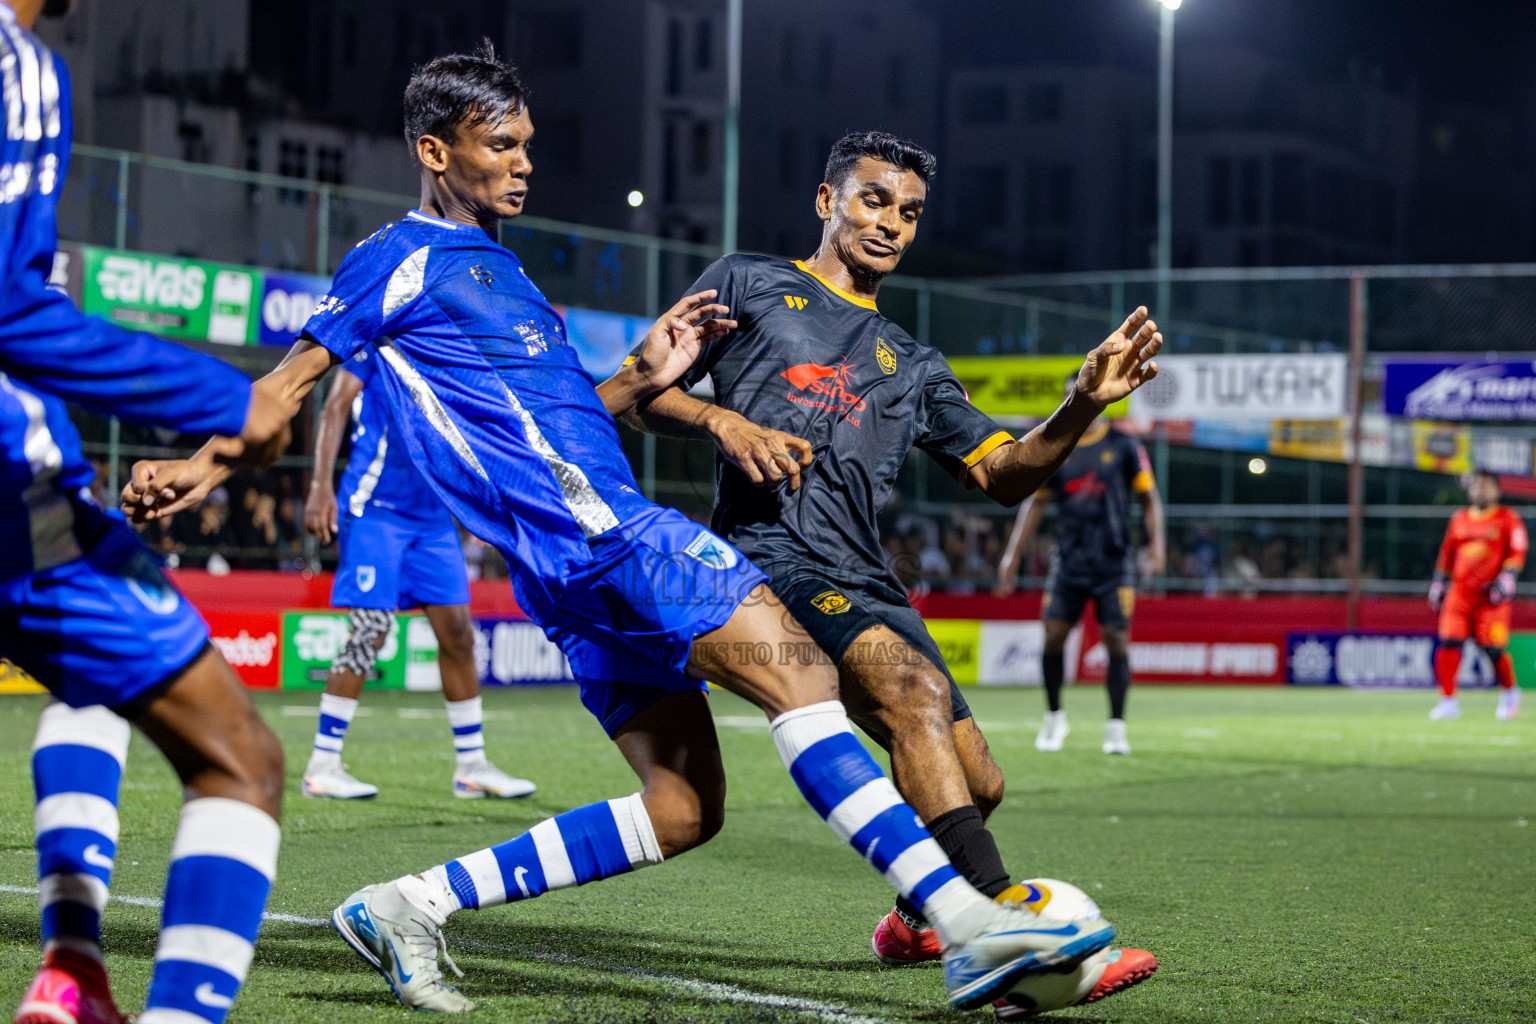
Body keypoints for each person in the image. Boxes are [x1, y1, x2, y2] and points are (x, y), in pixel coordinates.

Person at [121, 45, 1159, 1016]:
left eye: (528, 142)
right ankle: (968, 918)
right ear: (436, 154)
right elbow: (283, 394)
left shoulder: (502, 272)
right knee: (803, 679)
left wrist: (641, 376)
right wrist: (200, 469)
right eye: (501, 145)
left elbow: (559, 413)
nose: (526, 163)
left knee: (682, 805)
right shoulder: (399, 258)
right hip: (611, 537)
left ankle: (408, 902)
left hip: (568, 569)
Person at [614, 131, 1156, 1008]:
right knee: (913, 694)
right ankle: (998, 928)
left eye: (908, 212)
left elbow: (1002, 475)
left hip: (868, 574)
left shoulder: (914, 362)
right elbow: (639, 389)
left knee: (979, 783)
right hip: (771, 551)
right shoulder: (748, 280)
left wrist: (1080, 402)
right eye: (874, 200)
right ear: (827, 201)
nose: (892, 224)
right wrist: (723, 424)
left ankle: (913, 920)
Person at [1, 3, 296, 1024]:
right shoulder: (17, 64)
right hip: (17, 501)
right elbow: (7, 305)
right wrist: (228, 404)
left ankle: (73, 965)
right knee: (240, 760)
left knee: (90, 677)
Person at [299, 347, 536, 800]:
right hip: (374, 510)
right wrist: (319, 486)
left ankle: (472, 766)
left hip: (432, 519)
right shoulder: (380, 343)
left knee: (459, 634)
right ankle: (322, 765)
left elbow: (469, 436)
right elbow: (334, 406)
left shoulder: (454, 354)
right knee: (370, 629)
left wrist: (481, 509)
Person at [995, 392, 1165, 755]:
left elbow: (1150, 500)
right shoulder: (1054, 447)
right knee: (1053, 636)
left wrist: (1157, 546)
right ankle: (1055, 716)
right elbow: (1034, 504)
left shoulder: (1124, 445)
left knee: (1116, 639)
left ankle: (1116, 727)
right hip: (1069, 562)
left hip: (1113, 562)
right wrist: (1012, 556)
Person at [1427, 469, 1526, 721]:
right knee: (1449, 643)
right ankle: (1448, 700)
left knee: (1492, 649)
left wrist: (1507, 578)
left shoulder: (1507, 518)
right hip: (1459, 594)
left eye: (1486, 486)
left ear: (1496, 490)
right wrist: (1439, 583)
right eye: (1476, 486)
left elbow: (1517, 552)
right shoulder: (1459, 519)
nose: (1480, 490)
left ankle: (1509, 692)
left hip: (1490, 596)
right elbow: (1446, 554)